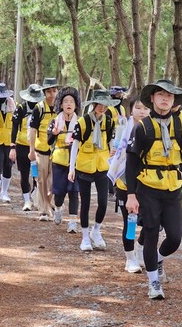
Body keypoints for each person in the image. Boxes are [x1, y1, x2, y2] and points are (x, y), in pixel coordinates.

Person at [125, 79, 182, 300]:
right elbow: (131, 163)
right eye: (160, 95)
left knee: (175, 238)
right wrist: (131, 195)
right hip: (148, 188)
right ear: (153, 99)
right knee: (150, 233)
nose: (165, 99)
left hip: (174, 188)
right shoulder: (143, 127)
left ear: (174, 100)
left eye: (170, 95)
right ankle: (153, 283)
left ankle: (157, 259)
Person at [68, 89, 118, 251]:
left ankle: (96, 231)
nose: (102, 108)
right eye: (100, 104)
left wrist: (114, 161)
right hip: (84, 167)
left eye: (106, 105)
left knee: (103, 202)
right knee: (86, 203)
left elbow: (111, 142)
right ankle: (84, 237)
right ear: (94, 104)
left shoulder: (109, 121)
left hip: (102, 166)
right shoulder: (83, 122)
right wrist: (71, 168)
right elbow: (75, 146)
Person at [108, 97, 150, 273]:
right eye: (138, 108)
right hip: (125, 182)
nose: (142, 111)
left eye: (145, 108)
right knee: (130, 221)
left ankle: (139, 249)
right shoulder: (123, 129)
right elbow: (115, 150)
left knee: (150, 221)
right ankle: (130, 258)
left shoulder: (151, 129)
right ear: (131, 110)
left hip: (147, 182)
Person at [47, 86, 81, 232]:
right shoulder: (55, 121)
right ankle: (58, 208)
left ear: (75, 105)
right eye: (65, 101)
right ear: (60, 104)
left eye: (71, 102)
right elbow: (49, 141)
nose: (68, 104)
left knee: (74, 192)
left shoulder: (80, 122)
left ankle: (73, 222)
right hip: (59, 161)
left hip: (76, 162)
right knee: (59, 193)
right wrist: (54, 134)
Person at [27, 78, 59, 221]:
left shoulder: (61, 108)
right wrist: (31, 150)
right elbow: (32, 130)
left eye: (54, 91)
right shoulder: (39, 108)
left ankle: (48, 203)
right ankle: (44, 211)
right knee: (41, 181)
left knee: (53, 182)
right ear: (44, 93)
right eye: (48, 91)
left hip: (58, 151)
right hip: (41, 150)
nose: (51, 94)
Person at [10, 84, 44, 211]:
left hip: (38, 147)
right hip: (22, 145)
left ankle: (36, 195)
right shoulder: (20, 108)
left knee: (37, 174)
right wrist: (12, 146)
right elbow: (14, 127)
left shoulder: (41, 109)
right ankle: (26, 200)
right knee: (24, 174)